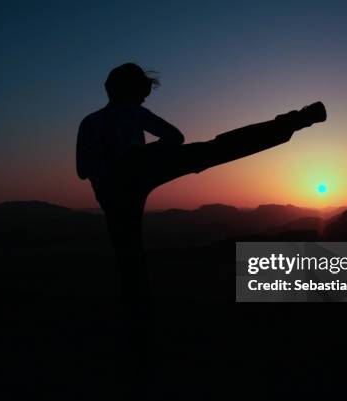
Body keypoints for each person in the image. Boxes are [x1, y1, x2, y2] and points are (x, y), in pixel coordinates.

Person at [76, 62, 326, 306]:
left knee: (129, 257)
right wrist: (139, 155)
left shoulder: (89, 121)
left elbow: (82, 170)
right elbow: (175, 137)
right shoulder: (133, 112)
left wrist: (113, 163)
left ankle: (137, 327)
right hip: (138, 169)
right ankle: (295, 121)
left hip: (110, 190)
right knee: (216, 149)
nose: (144, 99)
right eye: (143, 93)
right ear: (129, 89)